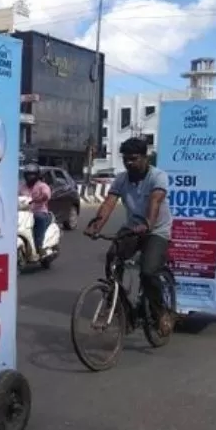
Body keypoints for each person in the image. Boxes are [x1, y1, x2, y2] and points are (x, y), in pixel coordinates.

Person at [85, 136, 173, 337]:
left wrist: (148, 224)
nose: (129, 163)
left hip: (156, 230)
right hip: (132, 228)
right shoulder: (122, 179)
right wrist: (96, 225)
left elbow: (155, 201)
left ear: (145, 158)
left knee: (148, 272)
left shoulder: (157, 176)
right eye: (126, 159)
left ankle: (161, 312)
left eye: (133, 158)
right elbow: (109, 202)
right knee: (112, 259)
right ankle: (121, 308)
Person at [19, 166, 52, 256]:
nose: (30, 177)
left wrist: (40, 198)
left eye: (32, 175)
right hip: (24, 212)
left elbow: (46, 195)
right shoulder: (22, 186)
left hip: (39, 211)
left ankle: (39, 246)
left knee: (38, 218)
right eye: (28, 175)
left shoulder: (42, 186)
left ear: (37, 175)